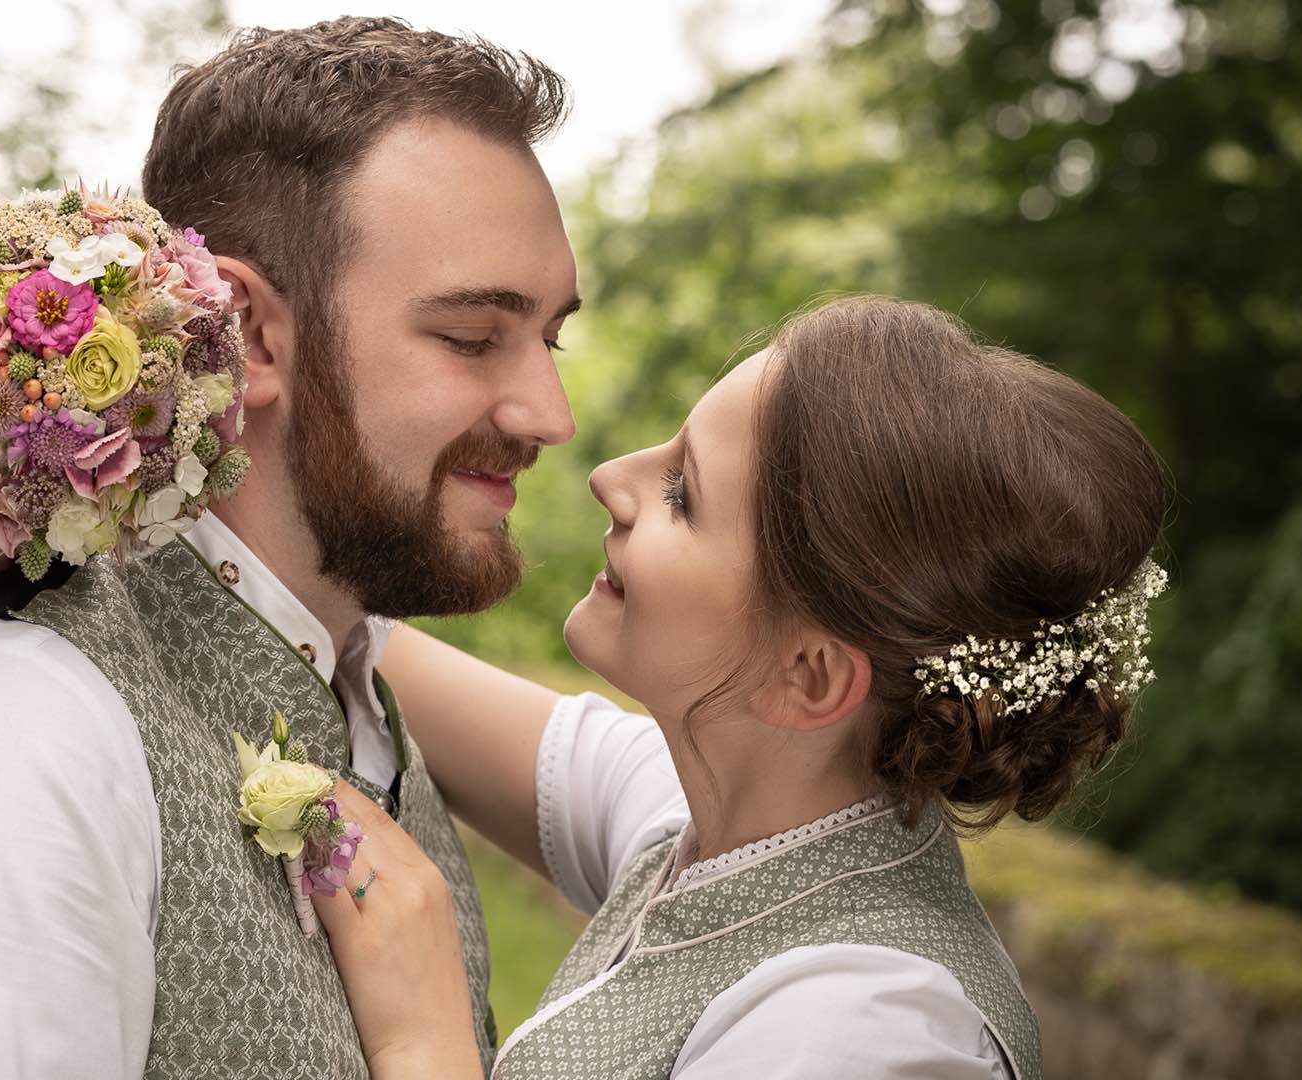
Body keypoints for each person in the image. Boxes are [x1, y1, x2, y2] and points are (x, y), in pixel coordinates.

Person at [0, 17, 581, 1079]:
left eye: (549, 338)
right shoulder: (8, 739)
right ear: (247, 332)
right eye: (473, 338)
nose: (548, 413)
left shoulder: (362, 704)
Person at [311, 295, 1169, 1079]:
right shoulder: (719, 822)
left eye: (684, 493)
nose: (609, 476)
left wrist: (422, 1040)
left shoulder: (866, 1033)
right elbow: (369, 653)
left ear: (810, 677)